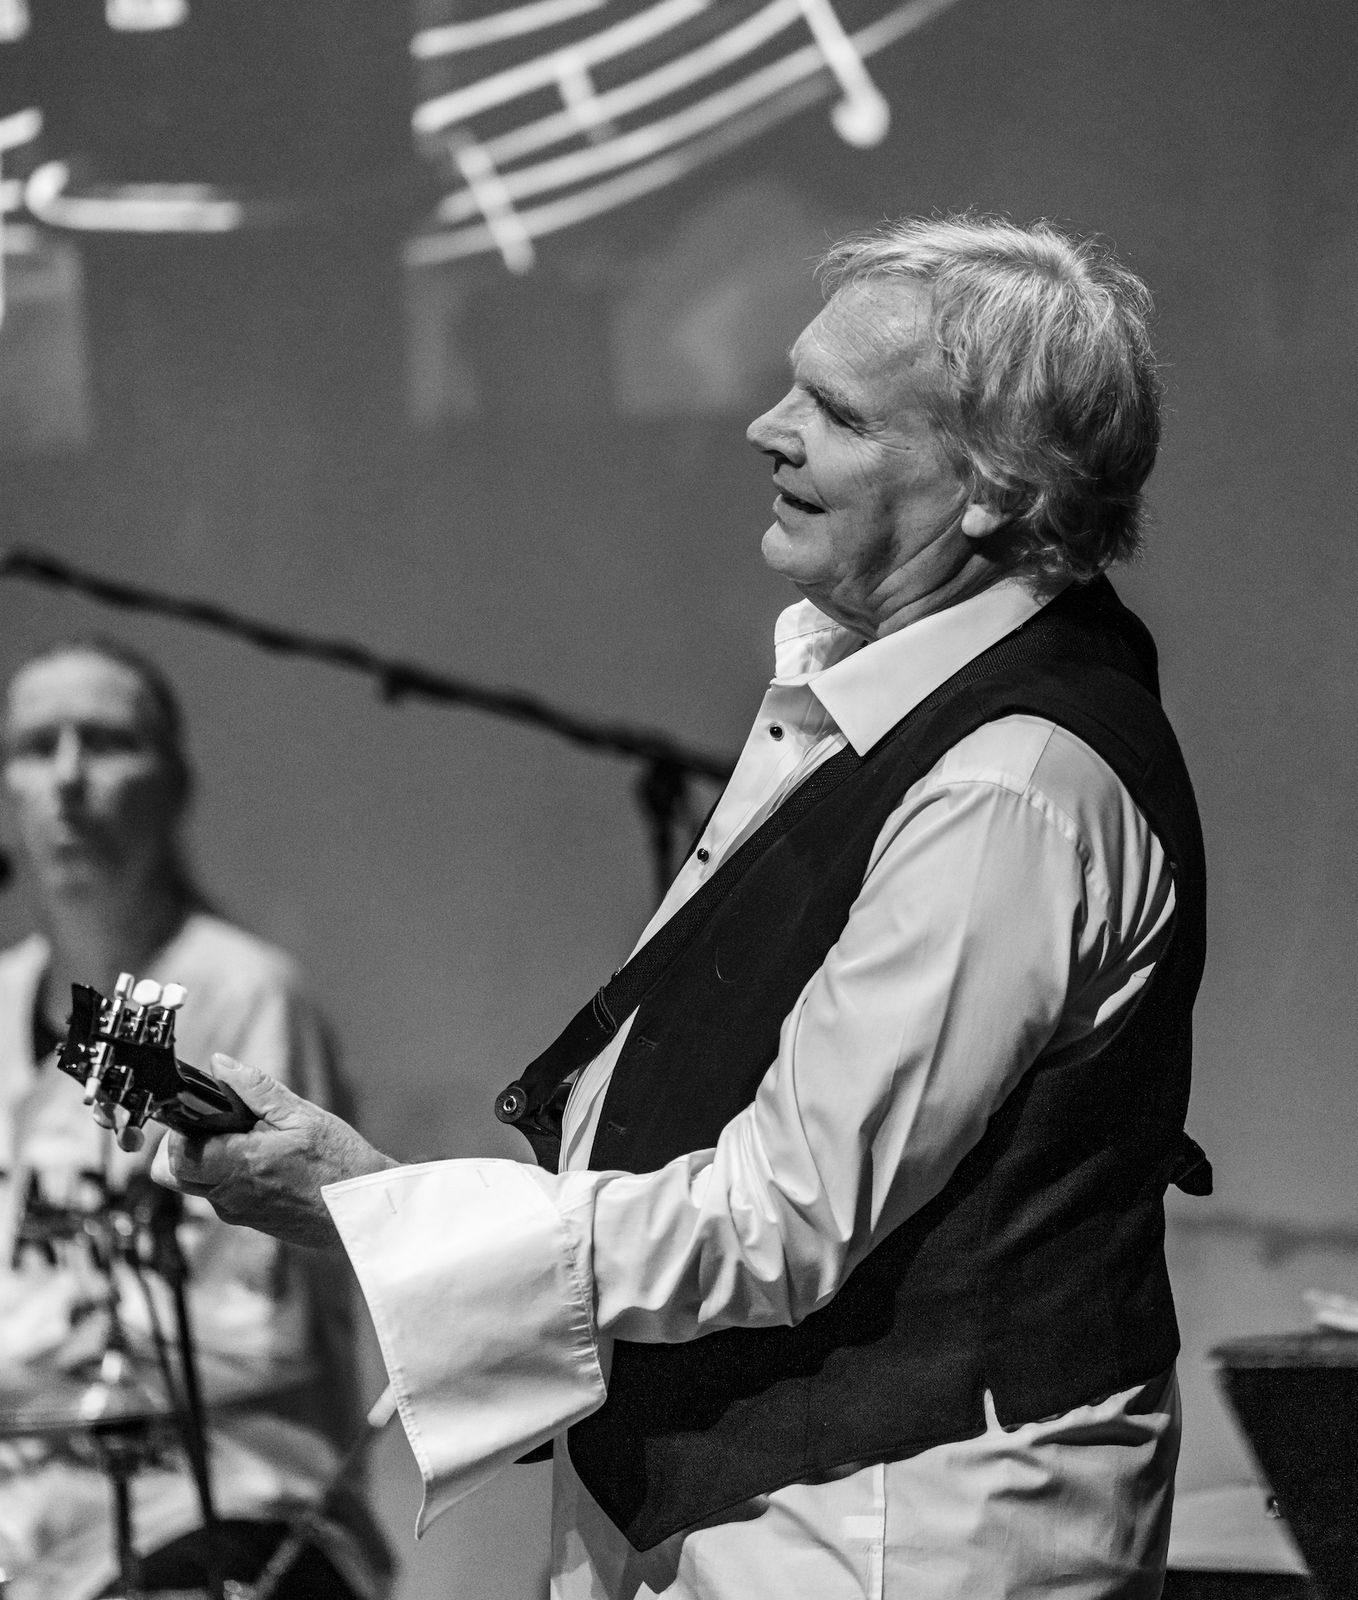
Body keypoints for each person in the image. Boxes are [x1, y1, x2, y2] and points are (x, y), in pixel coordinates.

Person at [152, 214, 1209, 1600]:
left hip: (891, 1532)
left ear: (991, 489)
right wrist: (381, 1205)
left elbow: (781, 1214)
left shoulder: (1002, 787)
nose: (766, 430)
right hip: (781, 1504)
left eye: (835, 413)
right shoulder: (887, 696)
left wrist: (376, 1208)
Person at [0, 638, 393, 1599]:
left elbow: (260, 1325)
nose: (68, 779)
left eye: (106, 742)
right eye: (36, 747)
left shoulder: (244, 995)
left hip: (221, 1502)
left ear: (175, 785)